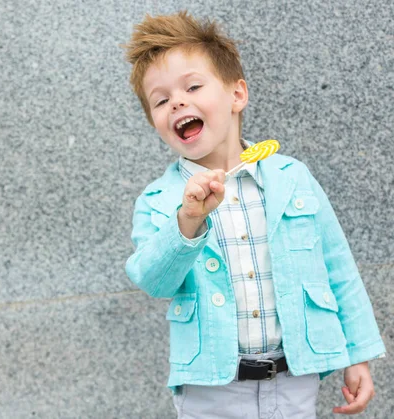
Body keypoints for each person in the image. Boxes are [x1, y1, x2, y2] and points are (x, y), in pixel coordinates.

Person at [123, 11, 385, 418]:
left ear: (236, 95)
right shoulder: (160, 200)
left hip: (294, 378)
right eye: (160, 100)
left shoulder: (291, 177)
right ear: (156, 122)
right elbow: (154, 281)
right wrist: (188, 219)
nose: (177, 101)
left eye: (193, 86)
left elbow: (338, 267)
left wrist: (358, 353)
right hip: (210, 389)